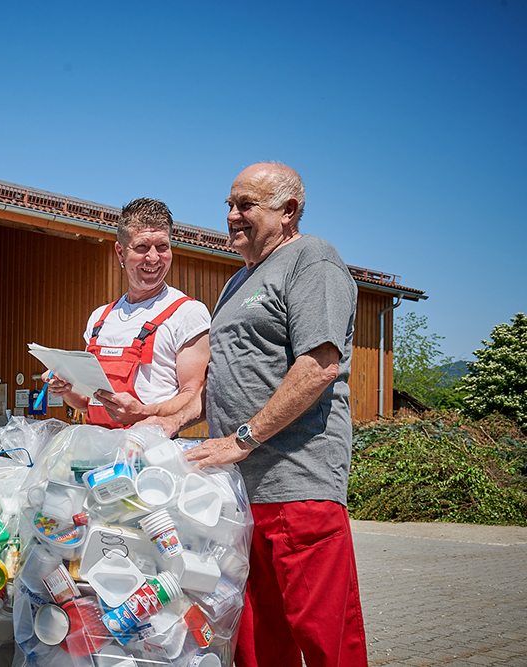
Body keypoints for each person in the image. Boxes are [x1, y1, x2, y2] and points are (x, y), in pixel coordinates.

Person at [187, 162, 368, 666]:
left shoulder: (313, 260)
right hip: (241, 498)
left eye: (245, 204)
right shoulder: (237, 282)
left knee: (324, 639)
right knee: (258, 643)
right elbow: (219, 381)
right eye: (229, 204)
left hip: (298, 488)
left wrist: (242, 439)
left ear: (288, 211)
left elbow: (318, 366)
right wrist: (153, 417)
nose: (231, 215)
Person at [48, 197, 211, 437]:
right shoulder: (99, 319)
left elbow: (193, 396)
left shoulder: (187, 313)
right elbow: (88, 403)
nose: (153, 258)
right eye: (142, 247)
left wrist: (144, 412)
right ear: (120, 252)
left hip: (150, 454)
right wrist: (66, 389)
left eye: (162, 247)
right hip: (96, 452)